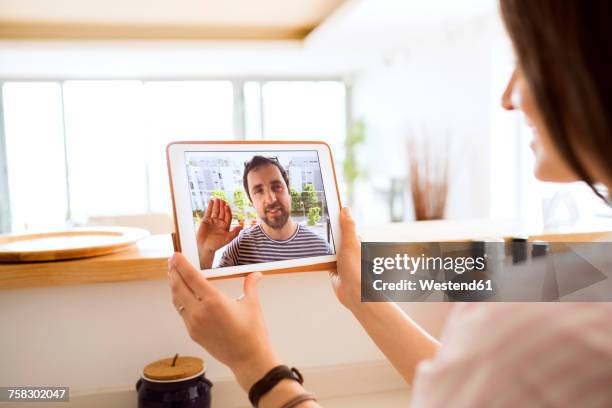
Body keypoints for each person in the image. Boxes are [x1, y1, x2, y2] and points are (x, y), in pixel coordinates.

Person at [168, 1, 612, 407]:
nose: (508, 97)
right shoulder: (587, 284)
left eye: (526, 60)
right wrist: (364, 297)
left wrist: (253, 364)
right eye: (259, 190)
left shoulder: (532, 319)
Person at [196, 155, 332, 269]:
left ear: (288, 191)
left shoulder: (322, 249)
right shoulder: (238, 250)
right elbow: (211, 295)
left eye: (277, 187)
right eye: (259, 191)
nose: (271, 199)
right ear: (251, 202)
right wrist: (205, 252)